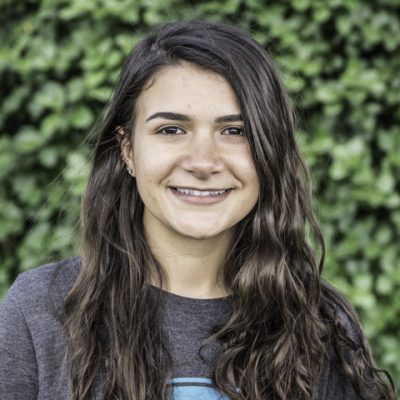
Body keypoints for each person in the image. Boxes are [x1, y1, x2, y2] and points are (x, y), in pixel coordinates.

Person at [0, 20, 396, 400]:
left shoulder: (319, 323)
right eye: (171, 130)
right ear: (128, 150)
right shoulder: (40, 311)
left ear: (269, 152)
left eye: (235, 131)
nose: (203, 162)